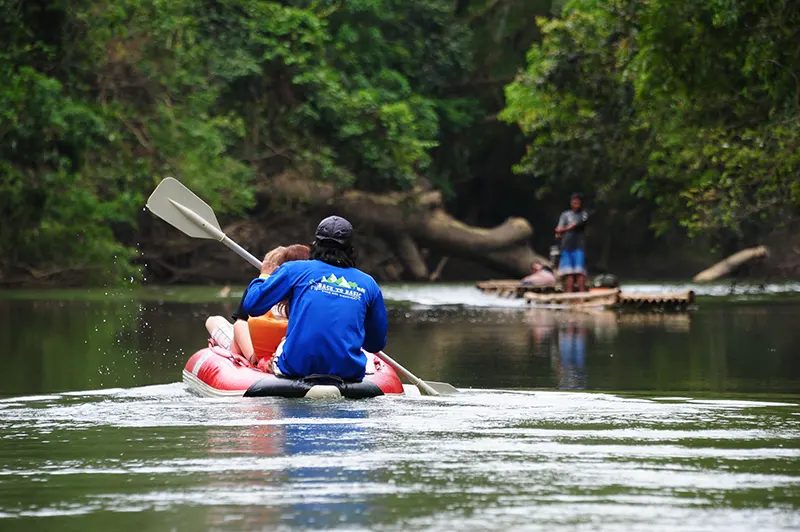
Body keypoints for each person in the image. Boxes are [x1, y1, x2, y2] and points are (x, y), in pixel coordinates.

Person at [242, 216, 387, 382]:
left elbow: (252, 305)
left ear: (314, 245)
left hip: (296, 369)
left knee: (282, 346)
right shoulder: (368, 284)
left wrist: (265, 274)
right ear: (350, 249)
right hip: (347, 372)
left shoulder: (293, 270)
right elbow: (374, 345)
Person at [205, 244, 310, 365]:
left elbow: (239, 328)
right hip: (282, 350)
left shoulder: (258, 291)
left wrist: (265, 276)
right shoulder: (308, 296)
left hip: (255, 354)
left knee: (222, 322)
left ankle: (250, 360)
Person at [555, 193, 589, 292]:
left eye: (578, 202)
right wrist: (559, 233)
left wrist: (561, 230)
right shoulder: (565, 215)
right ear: (571, 203)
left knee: (579, 272)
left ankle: (582, 295)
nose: (576, 204)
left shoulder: (583, 214)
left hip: (579, 246)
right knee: (568, 273)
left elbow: (574, 225)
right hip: (566, 245)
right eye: (574, 202)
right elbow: (558, 229)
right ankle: (569, 295)